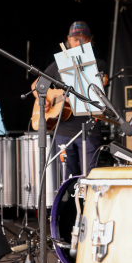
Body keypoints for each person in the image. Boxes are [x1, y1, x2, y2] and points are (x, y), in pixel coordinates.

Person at [32, 21, 107, 178]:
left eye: (83, 39)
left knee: (91, 176)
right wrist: (43, 100)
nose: (79, 42)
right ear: (68, 40)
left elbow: (103, 81)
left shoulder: (98, 64)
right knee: (67, 178)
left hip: (89, 130)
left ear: (90, 40)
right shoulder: (59, 63)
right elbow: (36, 85)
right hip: (63, 130)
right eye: (75, 39)